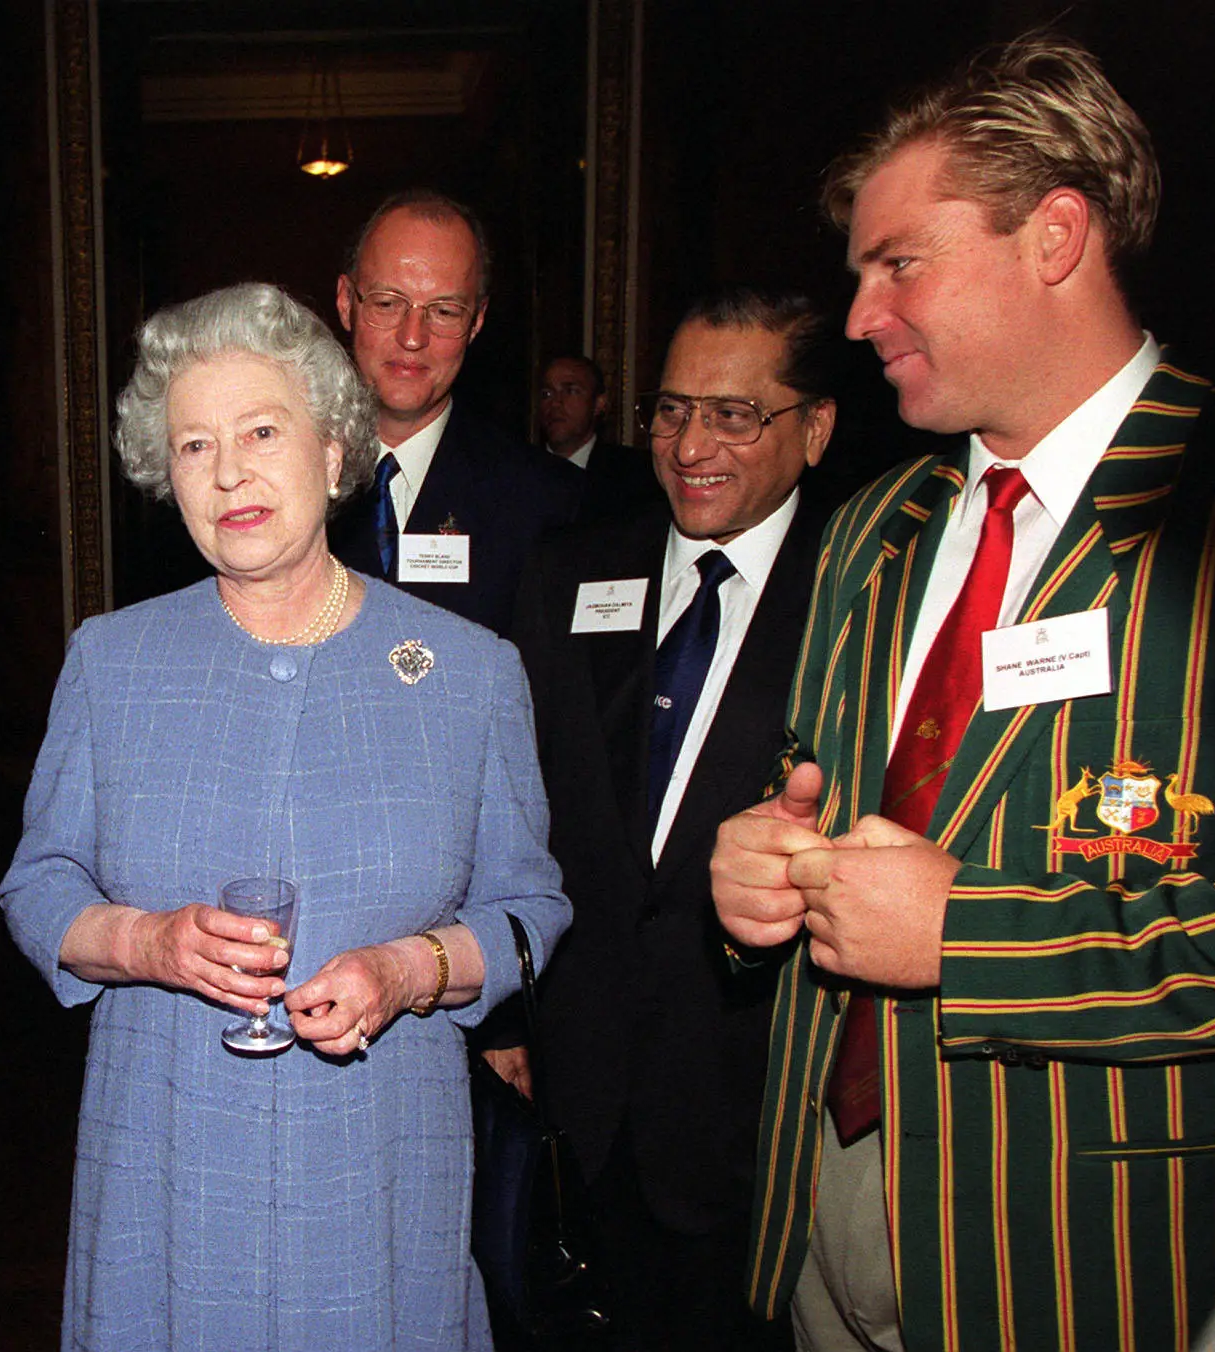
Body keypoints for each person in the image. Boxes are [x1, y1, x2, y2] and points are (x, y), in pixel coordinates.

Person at [710, 34, 1215, 1351]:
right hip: (827, 1230)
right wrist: (759, 870)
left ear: (1054, 236)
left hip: (1098, 1268)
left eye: (897, 264)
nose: (858, 318)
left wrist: (975, 941)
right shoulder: (873, 524)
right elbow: (823, 793)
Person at [0, 281, 571, 1350]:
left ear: (334, 449)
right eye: (193, 445)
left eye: (263, 429)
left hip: (381, 1164)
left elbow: (531, 910)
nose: (229, 471)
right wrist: (147, 939)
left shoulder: (468, 672)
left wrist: (409, 970)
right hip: (165, 1159)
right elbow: (39, 884)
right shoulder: (111, 661)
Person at [505, 289, 840, 1351]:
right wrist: (508, 1017)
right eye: (670, 408)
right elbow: (518, 809)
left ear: (815, 428)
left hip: (755, 1114)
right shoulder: (569, 571)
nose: (690, 444)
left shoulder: (860, 594)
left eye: (734, 414)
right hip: (579, 1094)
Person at [328, 191, 581, 637]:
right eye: (388, 303)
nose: (412, 337)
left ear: (477, 321)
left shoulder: (547, 503)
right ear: (348, 302)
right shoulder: (278, 483)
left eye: (444, 311)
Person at [538, 352, 656, 524]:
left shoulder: (636, 476)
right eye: (547, 394)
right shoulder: (516, 475)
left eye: (570, 391)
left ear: (599, 404)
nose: (555, 403)